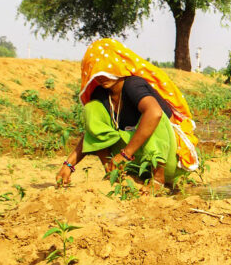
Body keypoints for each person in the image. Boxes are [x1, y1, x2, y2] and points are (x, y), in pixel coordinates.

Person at [56, 38, 200, 188]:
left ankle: (158, 179)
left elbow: (155, 113)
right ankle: (113, 173)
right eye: (96, 72)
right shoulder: (101, 94)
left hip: (166, 157)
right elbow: (93, 131)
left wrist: (125, 154)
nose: (101, 76)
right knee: (92, 110)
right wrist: (69, 164)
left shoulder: (133, 85)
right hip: (137, 160)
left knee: (153, 114)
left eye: (105, 70)